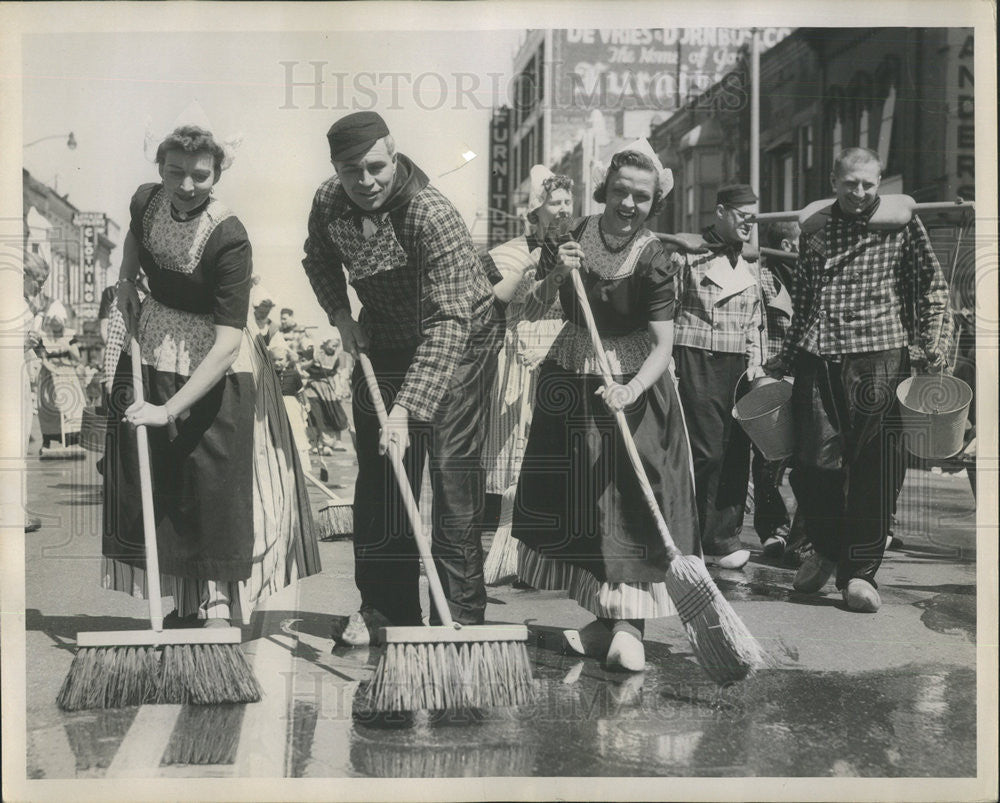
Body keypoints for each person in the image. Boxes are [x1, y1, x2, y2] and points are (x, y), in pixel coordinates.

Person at [103, 124, 320, 627]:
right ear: (160, 168)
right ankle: (184, 599)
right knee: (162, 470)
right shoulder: (146, 200)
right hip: (156, 342)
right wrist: (124, 281)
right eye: (175, 171)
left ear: (217, 174)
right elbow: (136, 233)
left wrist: (168, 410)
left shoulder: (229, 235)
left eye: (199, 175)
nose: (185, 185)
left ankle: (220, 598)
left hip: (215, 357)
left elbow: (227, 343)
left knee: (213, 475)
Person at [301, 111, 504, 644]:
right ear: (335, 170)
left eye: (375, 167)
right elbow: (317, 259)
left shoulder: (431, 215)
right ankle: (385, 610)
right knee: (384, 474)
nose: (365, 181)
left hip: (459, 338)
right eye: (351, 171)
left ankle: (457, 616)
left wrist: (405, 409)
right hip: (383, 337)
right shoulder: (328, 202)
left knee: (451, 472)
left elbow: (448, 322)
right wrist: (341, 316)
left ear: (394, 157)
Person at [509, 139, 699, 672]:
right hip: (571, 372)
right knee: (579, 498)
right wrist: (552, 273)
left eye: (641, 196)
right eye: (620, 191)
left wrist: (630, 389)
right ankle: (601, 617)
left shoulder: (657, 256)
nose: (628, 204)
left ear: (652, 200)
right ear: (604, 190)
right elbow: (531, 307)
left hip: (633, 387)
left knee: (630, 502)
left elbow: (663, 345)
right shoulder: (568, 234)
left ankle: (629, 626)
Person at [764, 147, 950, 613]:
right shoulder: (817, 230)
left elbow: (932, 286)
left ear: (880, 182)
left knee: (876, 467)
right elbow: (805, 295)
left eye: (869, 184)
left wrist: (932, 348)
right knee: (811, 464)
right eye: (851, 184)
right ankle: (825, 549)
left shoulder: (904, 224)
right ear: (834, 181)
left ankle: (859, 573)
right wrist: (781, 360)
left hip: (880, 353)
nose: (860, 193)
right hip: (819, 353)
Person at [668, 184, 765, 570]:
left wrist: (757, 364)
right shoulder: (688, 256)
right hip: (695, 357)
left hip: (737, 365)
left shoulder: (752, 262)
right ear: (721, 212)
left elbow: (757, 319)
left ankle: (723, 538)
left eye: (754, 219)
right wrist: (668, 365)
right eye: (743, 217)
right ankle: (687, 536)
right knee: (704, 451)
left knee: (736, 452)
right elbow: (667, 309)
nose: (750, 225)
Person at [481, 165, 571, 499]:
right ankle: (509, 509)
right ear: (535, 210)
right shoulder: (511, 252)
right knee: (518, 431)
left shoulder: (573, 248)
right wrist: (527, 263)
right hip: (521, 350)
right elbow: (495, 300)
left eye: (567, 201)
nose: (563, 209)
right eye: (554, 203)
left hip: (562, 347)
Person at [751, 221, 799, 559]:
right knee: (769, 458)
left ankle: (801, 534)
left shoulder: (806, 277)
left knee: (809, 460)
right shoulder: (765, 278)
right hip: (775, 374)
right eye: (801, 242)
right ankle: (773, 529)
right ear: (787, 244)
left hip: (805, 375)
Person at [22, 250, 51, 531]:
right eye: (38, 281)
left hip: (17, 379)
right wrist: (24, 341)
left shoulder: (23, 303)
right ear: (23, 274)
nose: (40, 288)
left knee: (18, 447)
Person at [33, 301, 86, 450]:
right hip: (49, 375)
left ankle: (72, 441)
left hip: (67, 375)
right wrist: (52, 369)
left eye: (59, 324)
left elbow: (78, 357)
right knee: (49, 408)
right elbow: (42, 358)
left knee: (72, 406)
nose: (56, 328)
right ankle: (47, 442)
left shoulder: (69, 334)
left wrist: (67, 344)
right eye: (54, 324)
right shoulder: (43, 337)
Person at [303, 335, 352, 472]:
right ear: (324, 343)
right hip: (313, 388)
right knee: (316, 415)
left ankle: (333, 442)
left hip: (328, 388)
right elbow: (302, 367)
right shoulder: (314, 353)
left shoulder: (337, 358)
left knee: (334, 414)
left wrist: (338, 388)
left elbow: (336, 374)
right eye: (332, 345)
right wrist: (313, 360)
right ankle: (319, 444)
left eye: (336, 346)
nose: (334, 348)